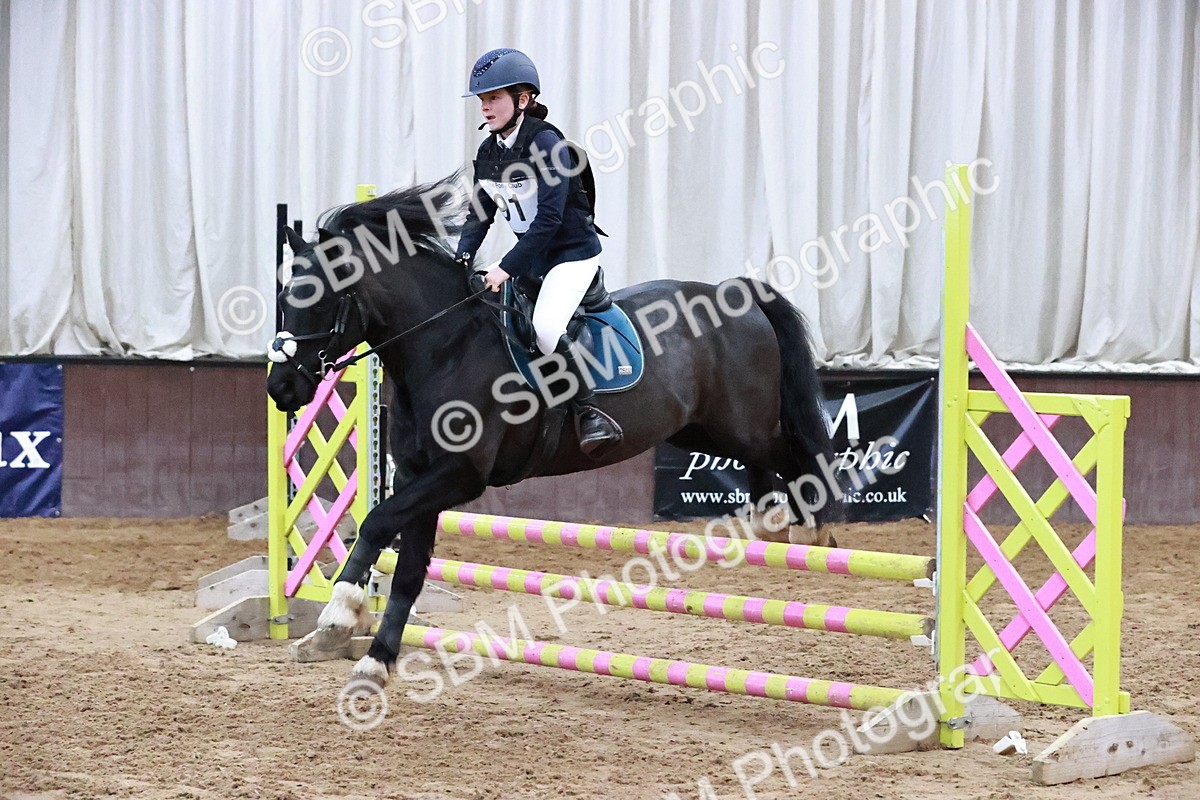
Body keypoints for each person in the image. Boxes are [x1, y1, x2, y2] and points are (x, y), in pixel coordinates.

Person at [455, 48, 622, 457]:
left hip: (571, 254)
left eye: (494, 97)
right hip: (535, 255)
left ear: (523, 100)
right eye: (482, 99)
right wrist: (461, 257)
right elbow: (480, 215)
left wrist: (506, 268)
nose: (485, 107)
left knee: (545, 329)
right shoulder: (489, 152)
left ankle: (590, 412)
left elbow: (548, 221)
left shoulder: (547, 144)